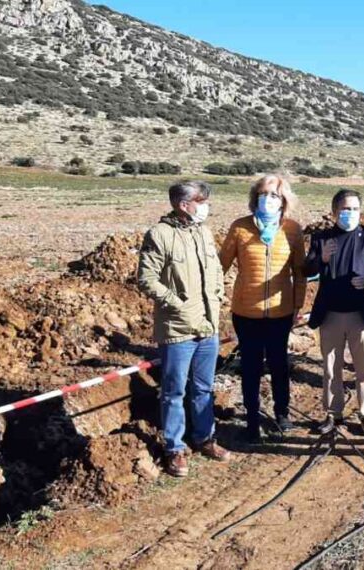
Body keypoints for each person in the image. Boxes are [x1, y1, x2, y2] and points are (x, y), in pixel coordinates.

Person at [137, 180, 231, 477]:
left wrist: (217, 295)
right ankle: (174, 448)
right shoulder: (159, 235)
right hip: (178, 329)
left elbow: (215, 269)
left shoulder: (202, 233)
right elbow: (146, 278)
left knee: (203, 387)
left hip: (208, 326)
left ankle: (204, 438)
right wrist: (175, 302)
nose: (206, 207)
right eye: (201, 201)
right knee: (174, 390)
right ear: (183, 204)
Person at [219, 175, 306, 444]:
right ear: (254, 197)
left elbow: (300, 273)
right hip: (246, 313)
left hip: (280, 312)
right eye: (263, 193)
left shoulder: (292, 230)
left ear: (284, 201)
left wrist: (298, 305)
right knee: (251, 366)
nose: (267, 199)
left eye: (274, 195)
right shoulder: (240, 228)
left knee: (279, 364)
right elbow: (220, 266)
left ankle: (282, 414)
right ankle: (253, 421)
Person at [306, 189, 364, 435]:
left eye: (355, 209)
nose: (351, 213)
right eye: (346, 209)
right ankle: (332, 413)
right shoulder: (321, 238)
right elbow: (307, 269)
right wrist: (321, 259)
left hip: (362, 313)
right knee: (330, 366)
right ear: (335, 211)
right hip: (331, 313)